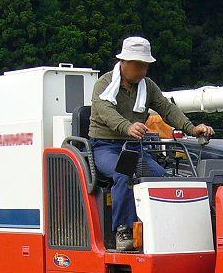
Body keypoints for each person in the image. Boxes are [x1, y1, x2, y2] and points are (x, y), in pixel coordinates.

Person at [89, 36, 214, 251]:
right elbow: (106, 113)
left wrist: (192, 128)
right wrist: (127, 127)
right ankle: (123, 229)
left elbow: (167, 109)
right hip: (105, 147)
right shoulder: (104, 84)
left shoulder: (147, 86)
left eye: (146, 66)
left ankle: (165, 230)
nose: (143, 71)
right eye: (139, 66)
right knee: (123, 172)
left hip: (135, 147)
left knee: (161, 178)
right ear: (124, 62)